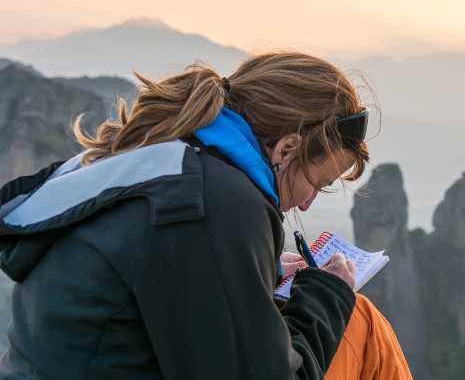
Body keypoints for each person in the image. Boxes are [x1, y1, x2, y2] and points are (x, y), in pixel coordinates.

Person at [0, 52, 412, 379]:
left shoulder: (166, 164)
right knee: (358, 321)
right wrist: (327, 293)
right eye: (318, 184)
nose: (306, 205)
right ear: (286, 150)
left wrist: (257, 271)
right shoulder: (214, 203)